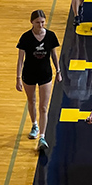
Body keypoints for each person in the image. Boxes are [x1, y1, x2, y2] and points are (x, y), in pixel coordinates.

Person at [16, 10, 62, 150]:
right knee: (32, 101)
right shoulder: (25, 37)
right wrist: (18, 78)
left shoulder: (50, 36)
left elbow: (54, 55)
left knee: (43, 106)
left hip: (45, 74)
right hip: (29, 74)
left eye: (42, 22)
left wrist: (58, 71)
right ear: (32, 22)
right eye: (37, 22)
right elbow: (20, 60)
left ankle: (42, 136)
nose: (40, 25)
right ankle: (34, 124)